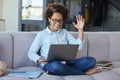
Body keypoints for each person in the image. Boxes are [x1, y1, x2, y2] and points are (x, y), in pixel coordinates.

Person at [28, 3, 101, 76]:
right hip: (50, 64)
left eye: (60, 20)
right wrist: (40, 59)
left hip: (66, 63)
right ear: (49, 19)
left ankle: (62, 71)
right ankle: (84, 73)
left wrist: (80, 30)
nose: (58, 23)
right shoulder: (41, 34)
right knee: (56, 66)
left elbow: (79, 47)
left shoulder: (65, 32)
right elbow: (31, 53)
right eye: (55, 20)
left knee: (91, 60)